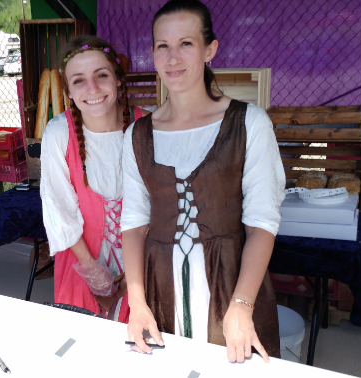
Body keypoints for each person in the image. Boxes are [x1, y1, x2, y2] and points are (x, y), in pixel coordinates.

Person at [121, 0, 286, 362]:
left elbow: (261, 224)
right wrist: (136, 301)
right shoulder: (138, 134)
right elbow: (133, 225)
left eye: (186, 44)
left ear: (210, 49)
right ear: (152, 53)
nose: (172, 57)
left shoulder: (249, 123)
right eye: (162, 46)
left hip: (229, 284)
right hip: (158, 284)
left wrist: (242, 306)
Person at [40, 35, 147, 322]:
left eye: (102, 75)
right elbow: (59, 207)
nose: (93, 88)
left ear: (118, 80)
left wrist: (137, 272)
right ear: (69, 91)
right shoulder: (59, 133)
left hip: (141, 266)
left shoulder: (145, 126)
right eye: (78, 80)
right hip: (82, 260)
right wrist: (91, 267)